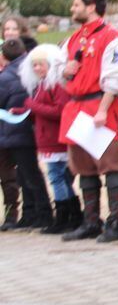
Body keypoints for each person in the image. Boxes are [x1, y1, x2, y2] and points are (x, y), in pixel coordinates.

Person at [59, 0, 118, 243]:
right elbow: (60, 74)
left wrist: (103, 109)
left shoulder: (111, 38)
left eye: (76, 4)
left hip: (98, 106)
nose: (72, 9)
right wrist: (65, 72)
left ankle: (116, 222)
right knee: (85, 169)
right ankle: (91, 221)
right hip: (77, 108)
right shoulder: (73, 39)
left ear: (91, 7)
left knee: (112, 167)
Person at [19, 43, 81, 234]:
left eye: (41, 64)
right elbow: (41, 109)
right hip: (46, 137)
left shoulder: (56, 85)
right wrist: (23, 110)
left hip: (55, 138)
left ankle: (65, 215)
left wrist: (31, 105)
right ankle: (72, 214)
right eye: (35, 65)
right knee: (59, 177)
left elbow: (59, 111)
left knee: (57, 177)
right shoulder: (42, 85)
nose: (37, 68)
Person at [0, 38, 53, 230]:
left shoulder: (5, 77)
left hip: (13, 131)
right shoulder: (30, 70)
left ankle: (42, 214)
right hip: (30, 129)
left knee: (28, 176)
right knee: (30, 174)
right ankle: (34, 214)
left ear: (3, 56)